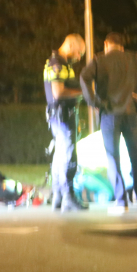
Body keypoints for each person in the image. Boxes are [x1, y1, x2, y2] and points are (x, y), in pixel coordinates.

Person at [80, 32, 137, 213]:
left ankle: (121, 201)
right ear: (122, 47)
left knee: (113, 157)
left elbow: (84, 77)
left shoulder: (100, 60)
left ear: (106, 45)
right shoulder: (135, 58)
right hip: (132, 112)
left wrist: (95, 103)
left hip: (110, 114)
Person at [44, 33, 88, 212]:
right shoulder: (58, 64)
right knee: (69, 156)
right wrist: (84, 92)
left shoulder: (56, 62)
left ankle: (58, 196)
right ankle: (68, 196)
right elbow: (58, 93)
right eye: (79, 53)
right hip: (62, 116)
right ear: (71, 46)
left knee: (59, 154)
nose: (78, 58)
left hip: (59, 115)